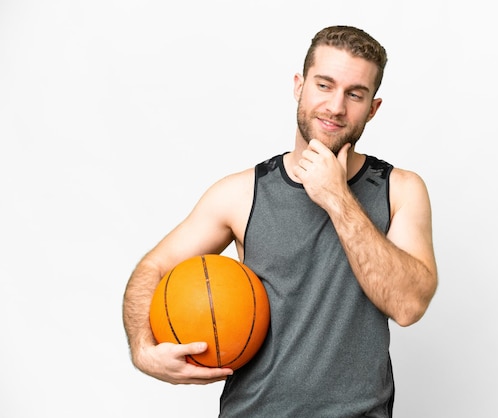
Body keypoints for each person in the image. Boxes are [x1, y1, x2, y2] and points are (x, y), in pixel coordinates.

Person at [123, 25, 438, 417]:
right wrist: (143, 349)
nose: (336, 107)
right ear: (299, 86)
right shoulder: (241, 193)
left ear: (372, 108)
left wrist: (337, 198)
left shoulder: (400, 190)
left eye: (355, 94)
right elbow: (153, 267)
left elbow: (408, 306)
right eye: (324, 85)